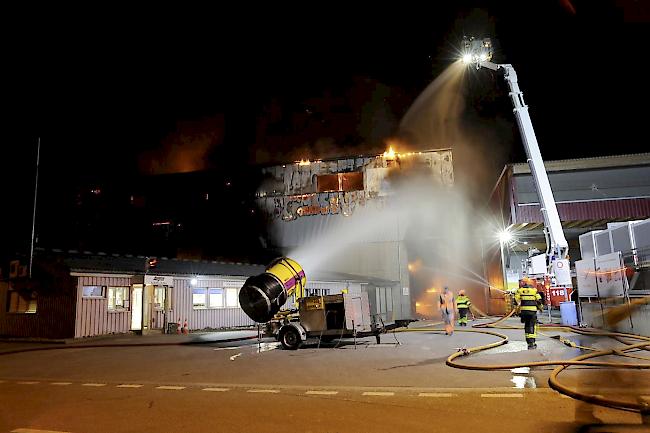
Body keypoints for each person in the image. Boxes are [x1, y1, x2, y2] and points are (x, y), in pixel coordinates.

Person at [514, 277, 543, 349]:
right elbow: (539, 301)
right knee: (532, 326)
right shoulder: (534, 290)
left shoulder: (519, 291)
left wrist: (517, 312)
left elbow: (516, 301)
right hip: (532, 312)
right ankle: (532, 343)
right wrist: (540, 308)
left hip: (524, 312)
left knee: (527, 326)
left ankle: (529, 342)